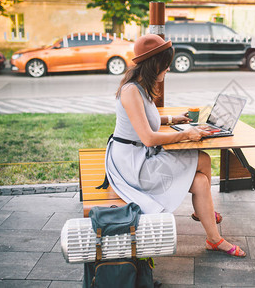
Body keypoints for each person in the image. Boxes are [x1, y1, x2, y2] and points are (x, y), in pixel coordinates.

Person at [104, 34, 246, 258]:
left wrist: (172, 120)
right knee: (200, 179)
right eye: (166, 65)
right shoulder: (132, 91)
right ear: (155, 64)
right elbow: (149, 138)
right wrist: (187, 135)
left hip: (138, 155)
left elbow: (143, 120)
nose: (168, 69)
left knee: (204, 161)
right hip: (132, 165)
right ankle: (212, 232)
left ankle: (206, 220)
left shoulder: (141, 86)